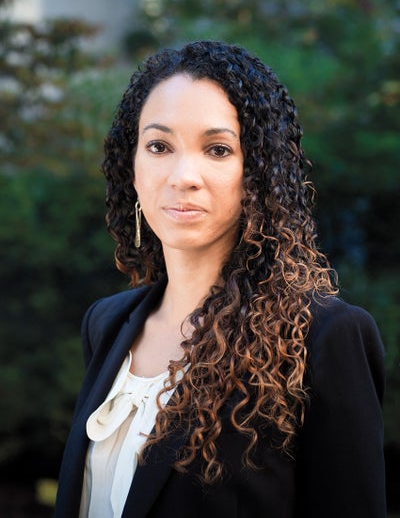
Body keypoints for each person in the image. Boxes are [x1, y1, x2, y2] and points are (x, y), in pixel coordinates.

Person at [55, 40, 386, 517]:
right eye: (159, 146)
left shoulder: (322, 338)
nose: (183, 176)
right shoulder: (105, 323)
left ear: (259, 172)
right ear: (132, 167)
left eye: (217, 149)